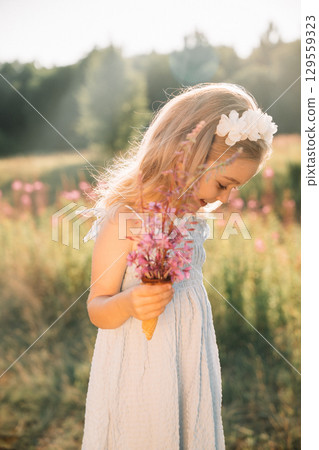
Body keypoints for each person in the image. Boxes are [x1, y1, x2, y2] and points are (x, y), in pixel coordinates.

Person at [79, 82, 278, 449]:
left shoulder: (192, 221)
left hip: (187, 359)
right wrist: (128, 302)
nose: (224, 198)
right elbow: (98, 307)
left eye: (233, 190)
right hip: (139, 368)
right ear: (186, 157)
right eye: (223, 183)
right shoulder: (125, 219)